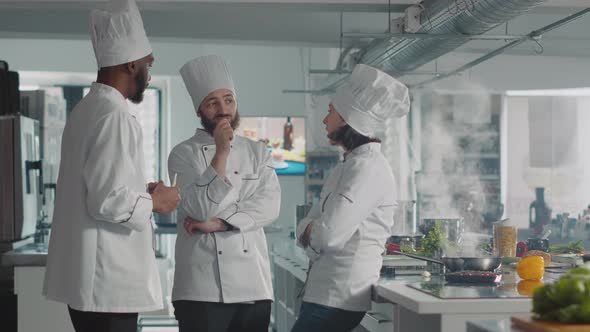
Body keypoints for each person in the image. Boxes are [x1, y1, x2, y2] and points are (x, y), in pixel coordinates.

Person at [43, 1, 180, 331]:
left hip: (90, 284)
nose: (150, 72)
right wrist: (157, 202)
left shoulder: (86, 110)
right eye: (148, 64)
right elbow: (106, 200)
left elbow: (101, 186)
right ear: (132, 64)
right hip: (107, 284)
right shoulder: (115, 116)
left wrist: (139, 193)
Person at [291, 64, 410, 332]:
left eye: (330, 111)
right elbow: (313, 226)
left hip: (337, 296)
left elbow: (328, 237)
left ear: (347, 119)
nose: (324, 119)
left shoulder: (366, 169)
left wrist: (309, 230)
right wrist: (310, 229)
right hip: (325, 293)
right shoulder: (349, 165)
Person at [168, 55, 281, 332]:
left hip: (253, 286)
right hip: (201, 288)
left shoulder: (258, 152)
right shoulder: (183, 153)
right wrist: (221, 152)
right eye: (212, 102)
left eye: (228, 100)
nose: (223, 109)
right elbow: (199, 209)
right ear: (199, 110)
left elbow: (270, 206)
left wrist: (219, 224)